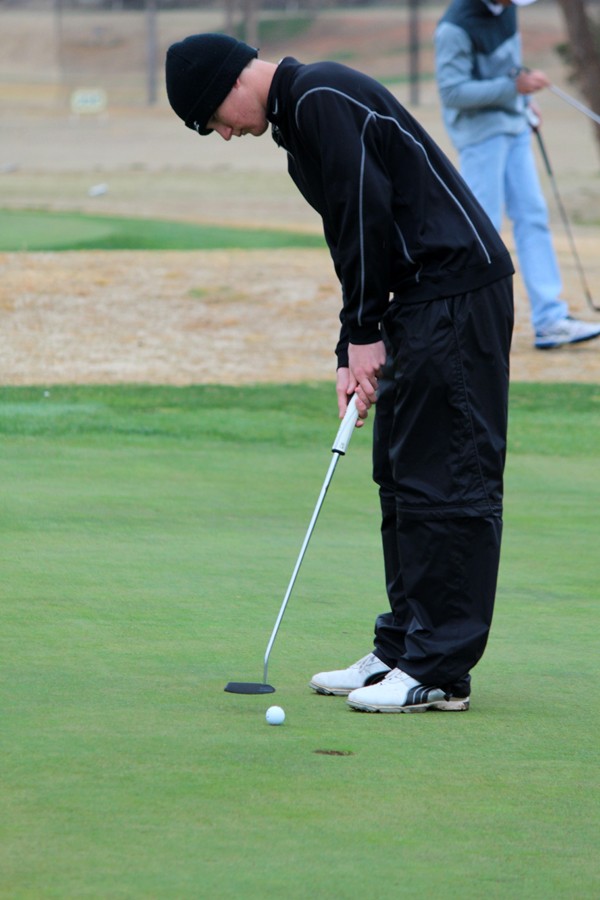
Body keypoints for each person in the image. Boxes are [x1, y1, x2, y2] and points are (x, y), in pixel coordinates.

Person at [165, 33, 515, 713]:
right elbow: (350, 241)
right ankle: (404, 645)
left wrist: (362, 331)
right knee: (401, 471)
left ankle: (439, 669)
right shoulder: (300, 124)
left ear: (232, 84)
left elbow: (366, 216)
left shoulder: (321, 95)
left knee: (448, 475)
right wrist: (348, 346)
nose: (226, 135)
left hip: (454, 293)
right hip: (418, 301)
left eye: (215, 120)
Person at [435, 0, 600, 350]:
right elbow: (452, 92)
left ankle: (550, 319)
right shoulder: (455, 27)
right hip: (480, 139)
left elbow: (509, 69)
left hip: (514, 127)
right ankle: (468, 323)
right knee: (482, 229)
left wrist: (525, 101)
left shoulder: (507, 10)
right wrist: (515, 88)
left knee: (533, 217)